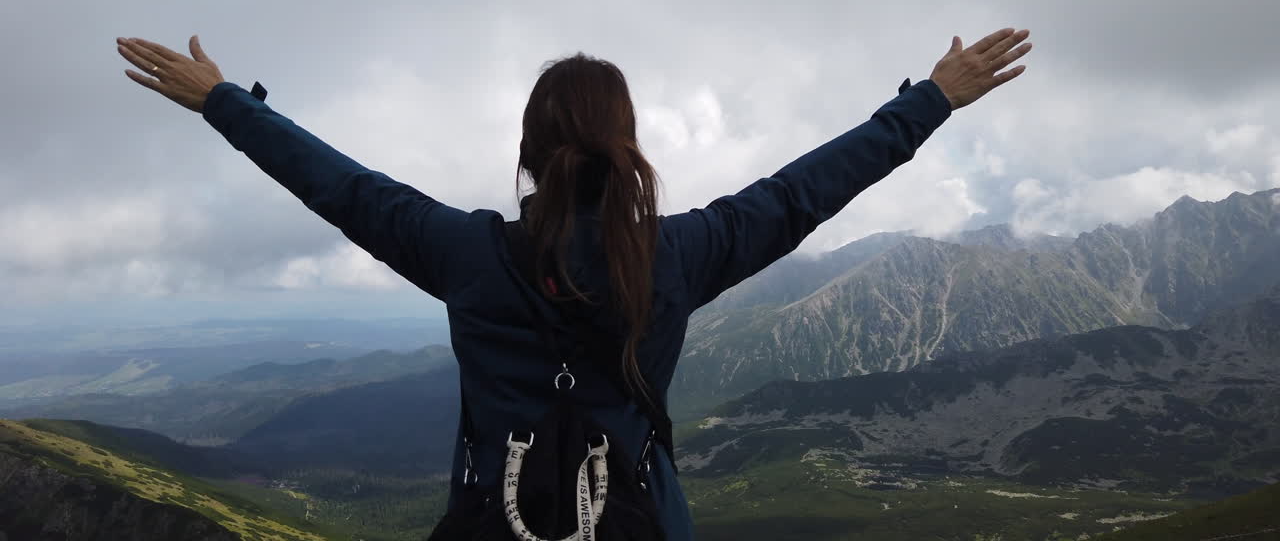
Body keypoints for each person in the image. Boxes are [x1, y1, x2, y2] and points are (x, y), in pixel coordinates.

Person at [115, 27, 1032, 540]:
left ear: (525, 154)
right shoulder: (680, 254)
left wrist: (224, 102)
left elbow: (342, 188)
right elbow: (804, 193)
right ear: (627, 145)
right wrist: (932, 98)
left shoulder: (463, 254)